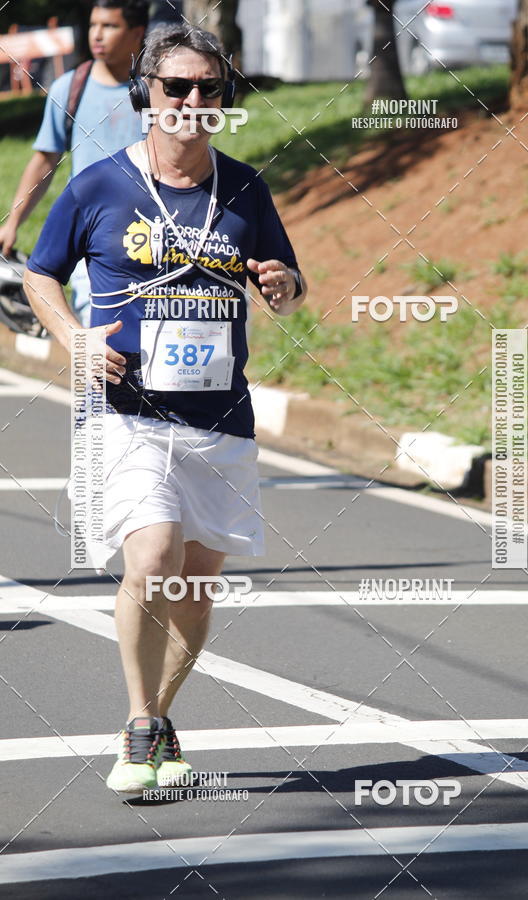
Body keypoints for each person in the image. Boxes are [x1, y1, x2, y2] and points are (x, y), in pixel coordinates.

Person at [24, 23, 307, 795]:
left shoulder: (245, 187)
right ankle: (140, 722)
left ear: (222, 100)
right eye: (174, 87)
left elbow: (285, 280)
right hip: (125, 409)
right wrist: (74, 339)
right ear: (145, 95)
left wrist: (284, 286)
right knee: (153, 558)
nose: (190, 101)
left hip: (220, 417)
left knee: (195, 584)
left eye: (207, 89)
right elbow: (39, 275)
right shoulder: (99, 186)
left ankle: (158, 716)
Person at [1, 0, 148, 326]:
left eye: (109, 26)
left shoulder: (159, 91)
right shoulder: (69, 88)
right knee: (95, 331)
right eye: (94, 25)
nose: (97, 34)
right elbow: (44, 161)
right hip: (91, 240)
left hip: (150, 236)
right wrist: (12, 223)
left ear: (137, 32)